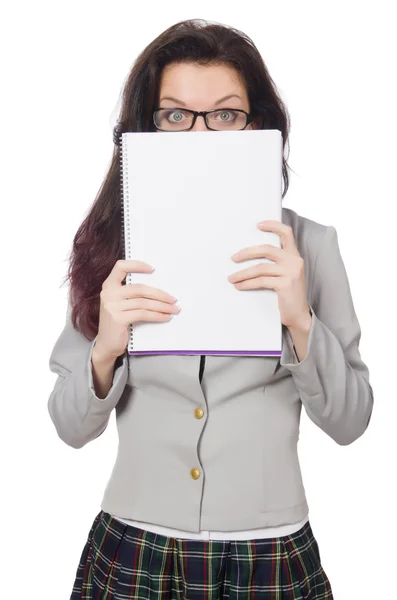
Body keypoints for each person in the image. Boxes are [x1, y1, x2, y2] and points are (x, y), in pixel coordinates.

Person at [47, 18, 374, 599]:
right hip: (135, 547)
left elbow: (350, 424)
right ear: (145, 128)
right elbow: (71, 429)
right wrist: (105, 350)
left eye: (225, 114)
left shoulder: (311, 248)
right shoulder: (112, 245)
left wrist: (300, 321)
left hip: (272, 554)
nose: (201, 134)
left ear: (260, 127)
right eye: (175, 115)